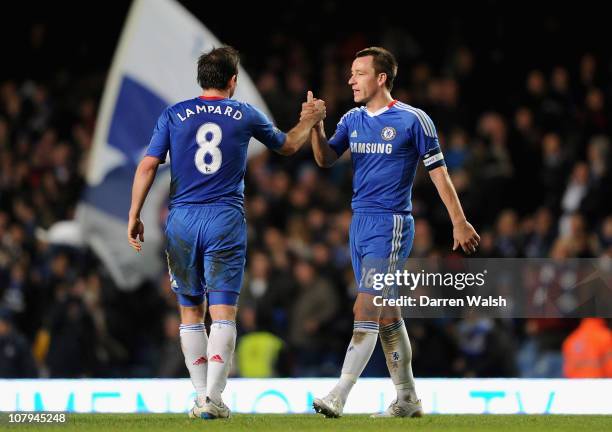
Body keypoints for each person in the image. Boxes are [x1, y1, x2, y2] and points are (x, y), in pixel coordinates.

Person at [127, 46, 325, 419]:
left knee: (189, 311)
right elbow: (289, 145)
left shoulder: (174, 114)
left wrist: (134, 213)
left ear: (201, 79)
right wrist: (311, 120)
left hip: (182, 218)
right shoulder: (244, 114)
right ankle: (215, 399)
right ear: (233, 81)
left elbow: (148, 165)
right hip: (224, 218)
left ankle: (201, 397)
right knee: (223, 313)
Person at [303, 47, 480, 418]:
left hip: (391, 224)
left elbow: (439, 174)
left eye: (359, 72)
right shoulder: (352, 119)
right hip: (359, 224)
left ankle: (340, 393)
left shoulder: (413, 120)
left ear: (381, 77)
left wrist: (459, 220)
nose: (351, 79)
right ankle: (408, 399)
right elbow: (325, 159)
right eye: (351, 73)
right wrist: (316, 126)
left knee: (364, 306)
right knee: (385, 314)